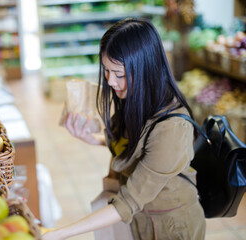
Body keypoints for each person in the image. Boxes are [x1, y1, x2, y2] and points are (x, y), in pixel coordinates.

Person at [42, 17, 206, 240]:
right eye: (106, 71)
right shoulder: (136, 97)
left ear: (146, 69)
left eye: (119, 74)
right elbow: (138, 146)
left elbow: (128, 202)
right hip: (143, 218)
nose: (109, 81)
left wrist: (56, 234)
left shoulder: (172, 128)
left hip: (170, 226)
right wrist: (97, 139)